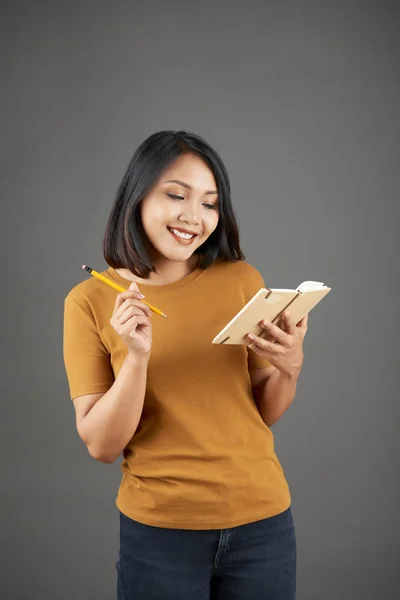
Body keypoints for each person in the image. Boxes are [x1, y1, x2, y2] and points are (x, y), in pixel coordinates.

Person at [63, 130, 308, 600]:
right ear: (137, 197)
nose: (194, 217)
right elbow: (102, 445)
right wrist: (136, 359)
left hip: (264, 522)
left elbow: (263, 411)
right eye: (176, 195)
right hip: (160, 534)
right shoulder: (89, 301)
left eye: (211, 203)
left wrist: (289, 367)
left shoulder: (242, 279)